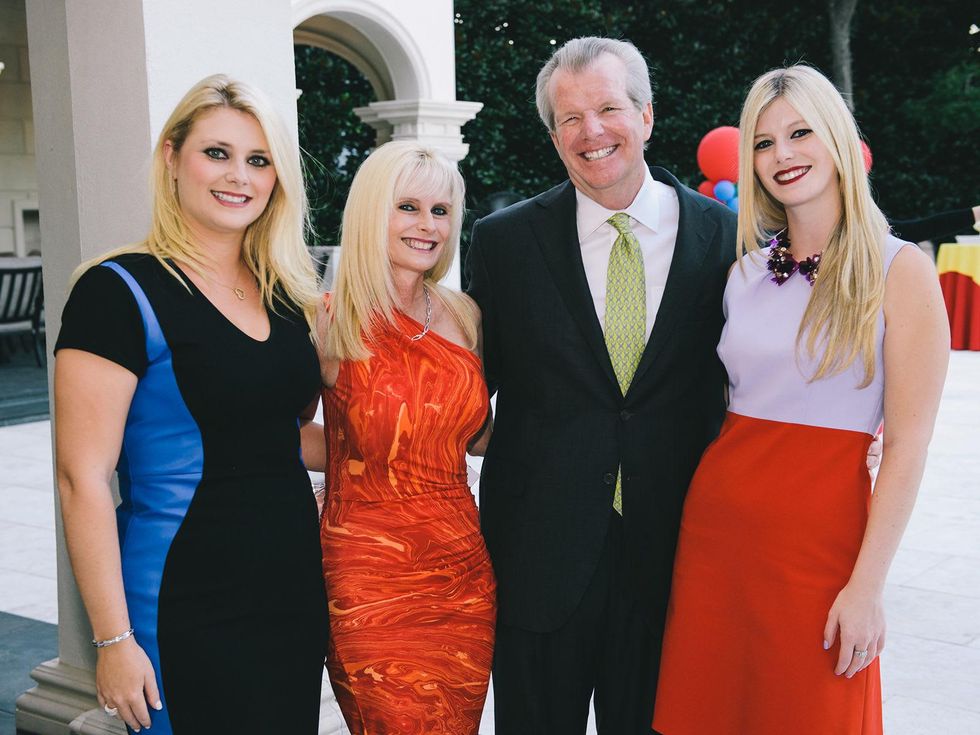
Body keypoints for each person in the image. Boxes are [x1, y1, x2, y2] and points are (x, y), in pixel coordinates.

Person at [653, 65, 949, 734]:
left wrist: (867, 586)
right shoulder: (742, 274)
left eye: (799, 133)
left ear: (837, 138)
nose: (782, 155)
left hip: (821, 553)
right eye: (762, 142)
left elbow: (907, 444)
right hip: (715, 542)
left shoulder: (902, 272)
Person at [466, 37, 737, 733]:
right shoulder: (502, 243)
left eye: (609, 108)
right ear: (552, 134)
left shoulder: (728, 239)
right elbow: (462, 394)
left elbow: (762, 377)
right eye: (569, 118)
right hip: (537, 560)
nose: (591, 132)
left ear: (646, 115)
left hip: (675, 558)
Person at [53, 75, 328, 734]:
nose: (240, 176)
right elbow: (80, 478)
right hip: (182, 600)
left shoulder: (286, 295)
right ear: (173, 158)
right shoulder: (116, 290)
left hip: (290, 594)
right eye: (218, 153)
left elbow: (281, 435)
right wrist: (114, 641)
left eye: (259, 160)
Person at [311, 140, 496, 735]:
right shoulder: (328, 319)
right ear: (371, 212)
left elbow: (473, 436)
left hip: (462, 568)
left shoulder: (465, 315)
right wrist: (352, 460)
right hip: (366, 574)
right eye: (408, 206)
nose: (427, 225)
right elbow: (280, 431)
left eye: (441, 211)